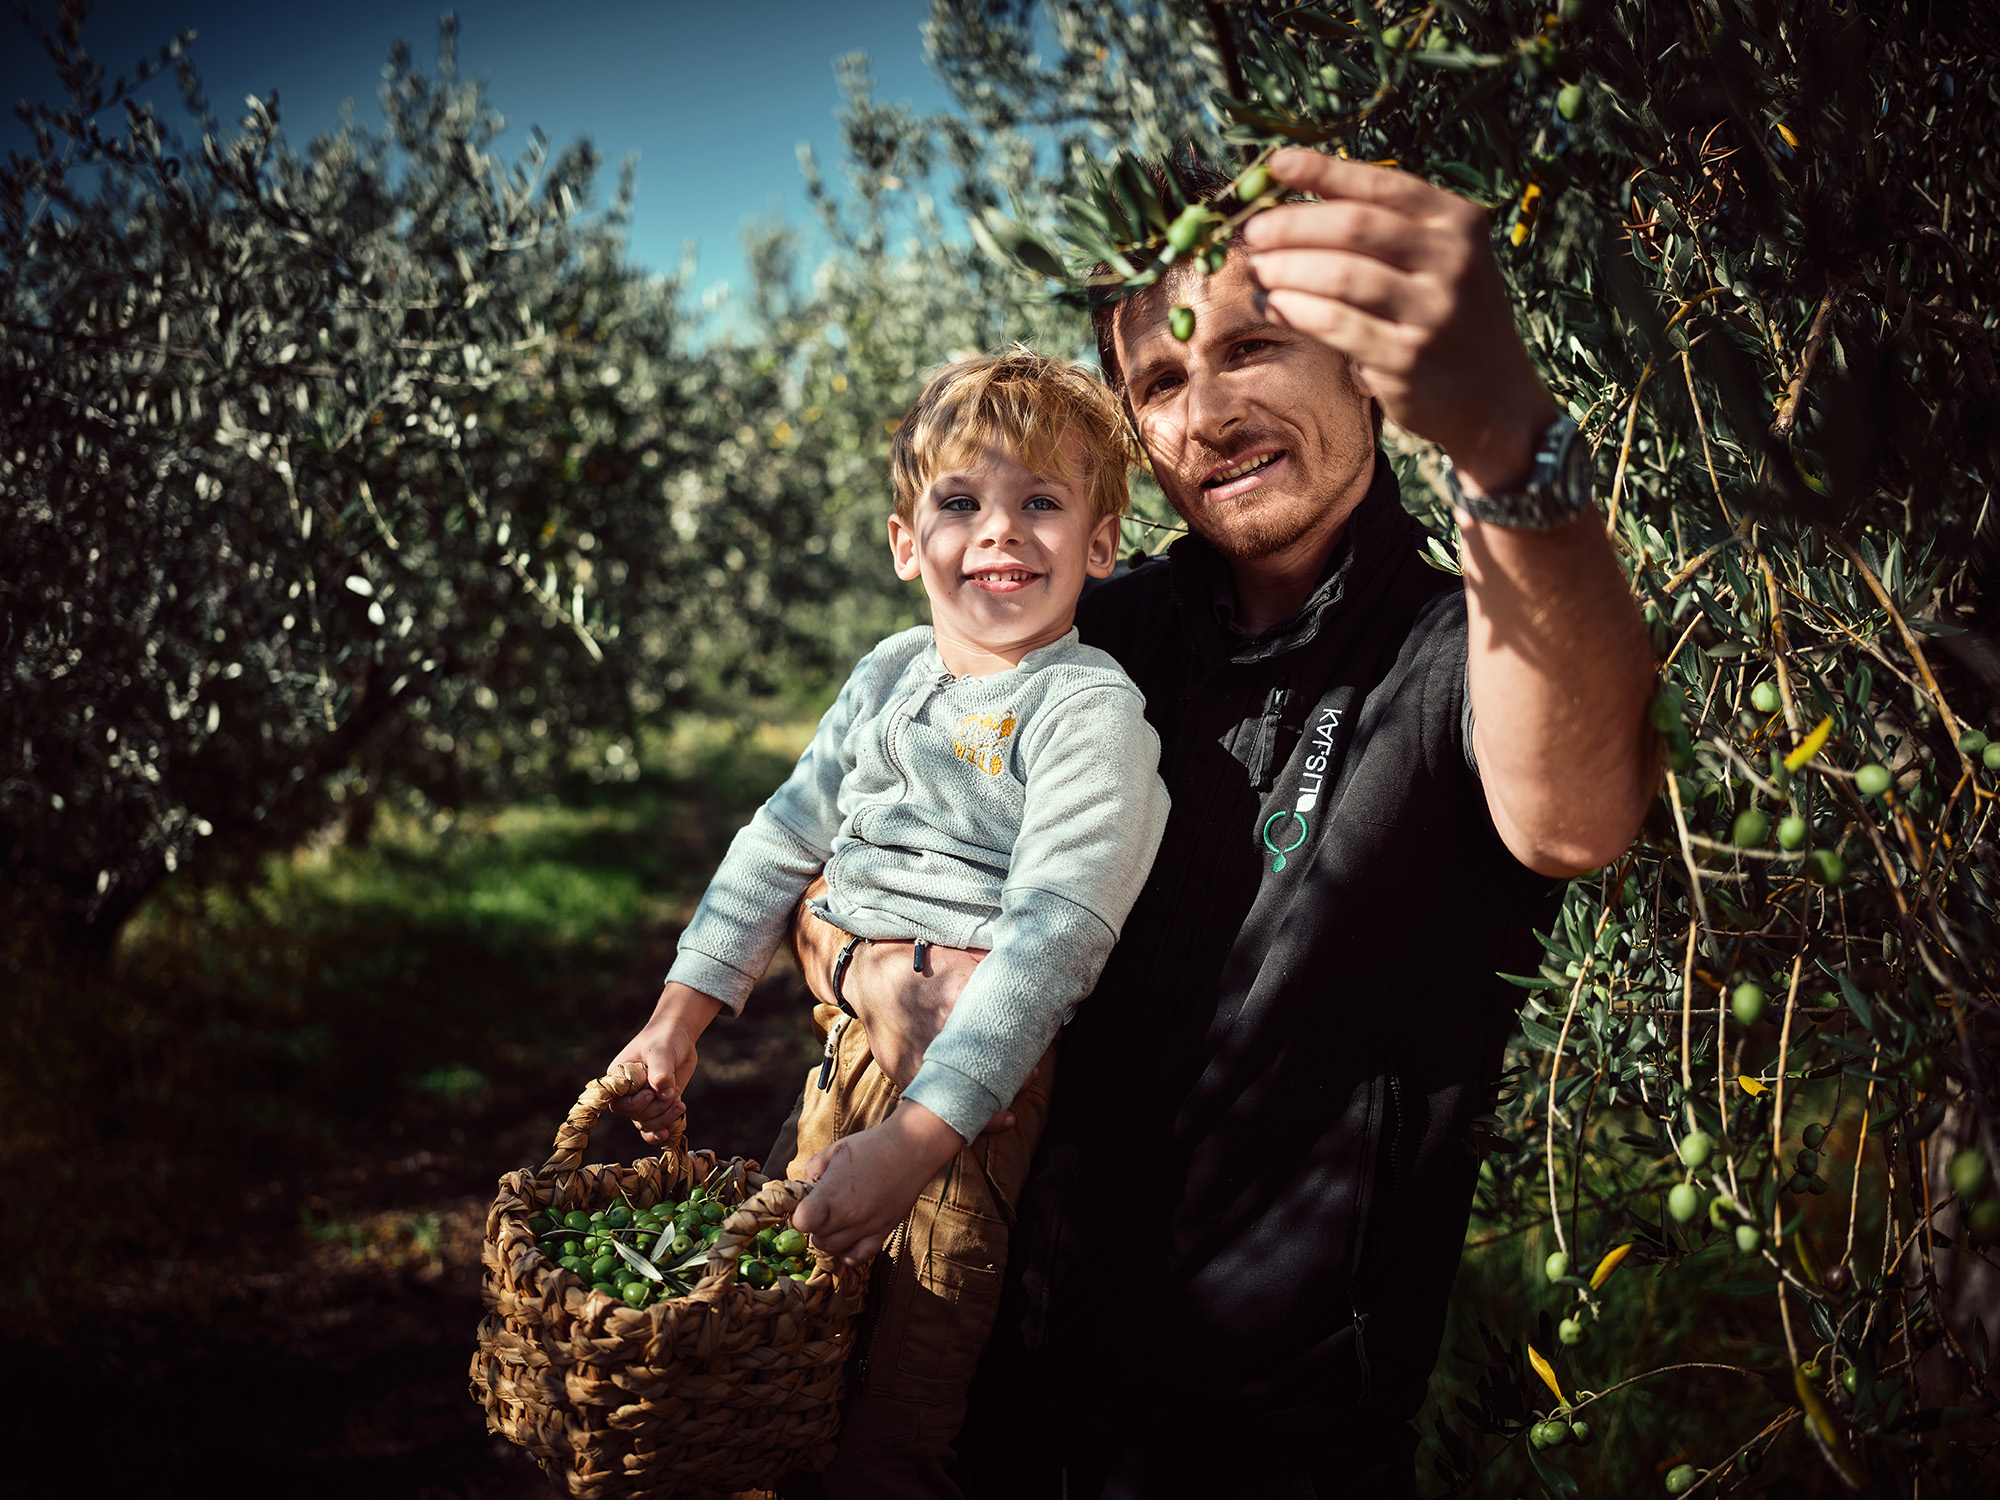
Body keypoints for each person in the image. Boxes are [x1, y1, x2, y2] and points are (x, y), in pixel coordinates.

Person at [781, 147, 1660, 1498]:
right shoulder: (1085, 644)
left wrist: (1508, 445)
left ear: (1365, 366)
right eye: (1165, 381)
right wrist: (878, 969)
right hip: (992, 1398)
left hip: (1267, 1447)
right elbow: (834, 869)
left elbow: (1575, 821)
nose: (1212, 412)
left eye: (1254, 345)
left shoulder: (1456, 652)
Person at [604, 350, 1172, 1498]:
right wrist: (679, 1019)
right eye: (960, 503)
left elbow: (1053, 941)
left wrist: (916, 1147)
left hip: (973, 1104)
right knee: (775, 1352)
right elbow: (778, 840)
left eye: (1039, 505)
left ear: (1100, 546)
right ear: (909, 542)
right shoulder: (885, 677)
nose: (998, 535)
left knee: (895, 1409)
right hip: (839, 1063)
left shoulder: (1086, 710)